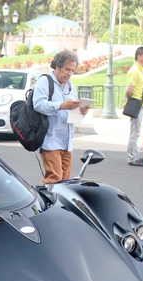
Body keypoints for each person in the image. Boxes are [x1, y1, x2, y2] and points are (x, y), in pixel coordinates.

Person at [33, 50, 89, 183]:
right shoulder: (45, 81)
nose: (69, 73)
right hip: (50, 140)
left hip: (67, 142)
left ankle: (59, 203)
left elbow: (72, 108)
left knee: (65, 182)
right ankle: (47, 202)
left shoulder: (70, 86)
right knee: (53, 179)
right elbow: (38, 104)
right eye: (67, 69)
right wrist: (62, 105)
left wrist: (82, 110)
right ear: (57, 66)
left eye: (72, 70)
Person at [125, 46, 143, 166]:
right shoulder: (134, 71)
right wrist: (129, 100)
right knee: (135, 132)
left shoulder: (140, 70)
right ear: (139, 56)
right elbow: (129, 90)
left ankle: (134, 155)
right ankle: (132, 157)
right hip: (137, 103)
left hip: (141, 104)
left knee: (136, 131)